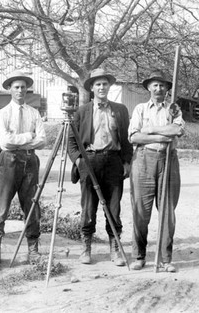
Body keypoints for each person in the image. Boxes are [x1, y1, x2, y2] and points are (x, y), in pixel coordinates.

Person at [67, 68, 133, 266]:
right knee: (88, 207)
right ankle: (86, 247)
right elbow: (71, 141)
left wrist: (127, 162)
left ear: (109, 86)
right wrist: (79, 161)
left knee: (113, 206)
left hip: (113, 161)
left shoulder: (120, 110)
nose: (102, 87)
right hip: (90, 160)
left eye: (105, 84)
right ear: (92, 88)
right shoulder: (82, 111)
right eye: (98, 84)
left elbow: (127, 140)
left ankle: (115, 248)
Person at [0, 71, 47, 269]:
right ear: (10, 90)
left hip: (30, 162)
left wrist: (19, 141)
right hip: (8, 162)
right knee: (1, 206)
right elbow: (5, 141)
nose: (20, 90)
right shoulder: (3, 113)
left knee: (32, 205)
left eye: (23, 87)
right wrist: (28, 137)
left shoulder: (34, 113)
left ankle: (33, 251)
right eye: (16, 87)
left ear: (27, 89)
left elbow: (43, 140)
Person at [128, 69, 185, 272]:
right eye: (155, 85)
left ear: (167, 88)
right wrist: (162, 136)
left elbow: (177, 130)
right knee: (141, 211)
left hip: (168, 160)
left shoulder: (173, 109)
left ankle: (165, 259)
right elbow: (134, 137)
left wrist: (151, 130)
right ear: (149, 88)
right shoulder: (141, 109)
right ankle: (139, 255)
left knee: (167, 211)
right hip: (144, 159)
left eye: (162, 85)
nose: (158, 88)